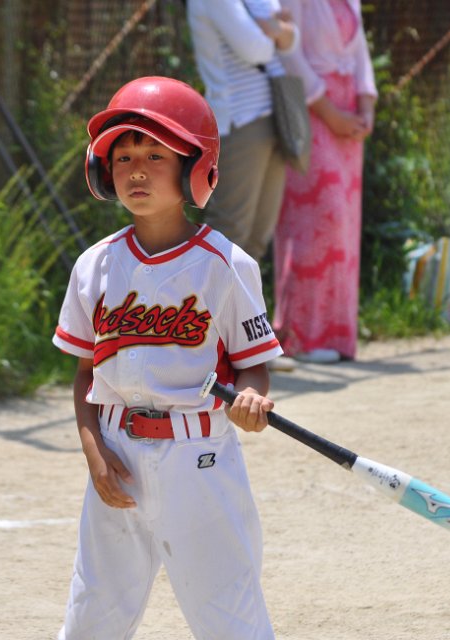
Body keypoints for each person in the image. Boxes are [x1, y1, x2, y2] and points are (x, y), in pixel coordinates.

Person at [51, 76, 283, 640]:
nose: (136, 170)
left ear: (194, 167)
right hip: (117, 452)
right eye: (123, 157)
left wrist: (252, 397)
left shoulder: (225, 265)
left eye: (156, 155)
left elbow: (252, 364)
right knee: (92, 616)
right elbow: (85, 376)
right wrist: (94, 453)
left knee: (229, 616)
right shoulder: (94, 266)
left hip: (198, 460)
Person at [271, 0, 377, 364]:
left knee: (344, 228)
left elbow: (360, 50)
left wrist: (366, 104)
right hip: (310, 111)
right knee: (318, 221)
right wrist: (329, 112)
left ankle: (337, 337)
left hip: (349, 111)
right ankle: (300, 337)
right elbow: (289, 53)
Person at [187, 0, 299, 262]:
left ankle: (243, 291)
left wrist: (273, 29)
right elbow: (255, 50)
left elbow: (293, 41)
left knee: (257, 239)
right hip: (240, 121)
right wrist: (278, 30)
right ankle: (205, 290)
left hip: (275, 117)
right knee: (229, 233)